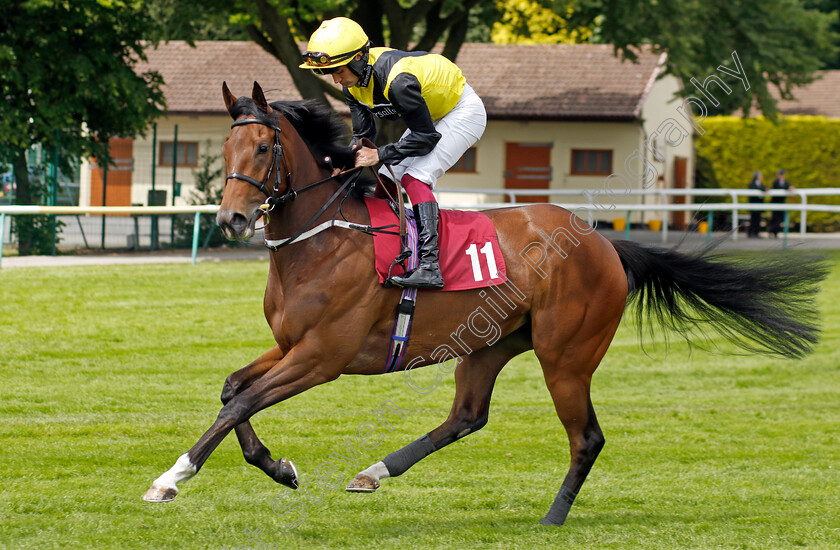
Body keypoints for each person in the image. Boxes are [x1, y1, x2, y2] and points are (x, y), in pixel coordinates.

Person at [299, 17, 487, 290]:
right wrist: (345, 162)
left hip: (462, 111)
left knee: (415, 178)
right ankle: (383, 249)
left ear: (360, 57)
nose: (337, 79)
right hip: (430, 116)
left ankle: (430, 267)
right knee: (386, 178)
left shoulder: (398, 83)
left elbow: (426, 138)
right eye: (330, 73)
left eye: (339, 70)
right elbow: (363, 137)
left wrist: (380, 154)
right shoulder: (352, 85)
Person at [768, 169, 795, 238]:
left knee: (781, 218)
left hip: (782, 203)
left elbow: (787, 187)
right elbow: (777, 188)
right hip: (775, 203)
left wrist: (790, 188)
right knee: (775, 218)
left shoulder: (785, 182)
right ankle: (772, 231)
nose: (782, 176)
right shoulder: (776, 182)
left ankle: (774, 231)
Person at [746, 171, 767, 237]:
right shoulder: (752, 183)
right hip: (753, 204)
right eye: (760, 175)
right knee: (753, 219)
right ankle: (751, 233)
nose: (761, 177)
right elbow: (755, 188)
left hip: (759, 204)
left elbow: (763, 188)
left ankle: (756, 233)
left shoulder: (760, 183)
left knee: (758, 219)